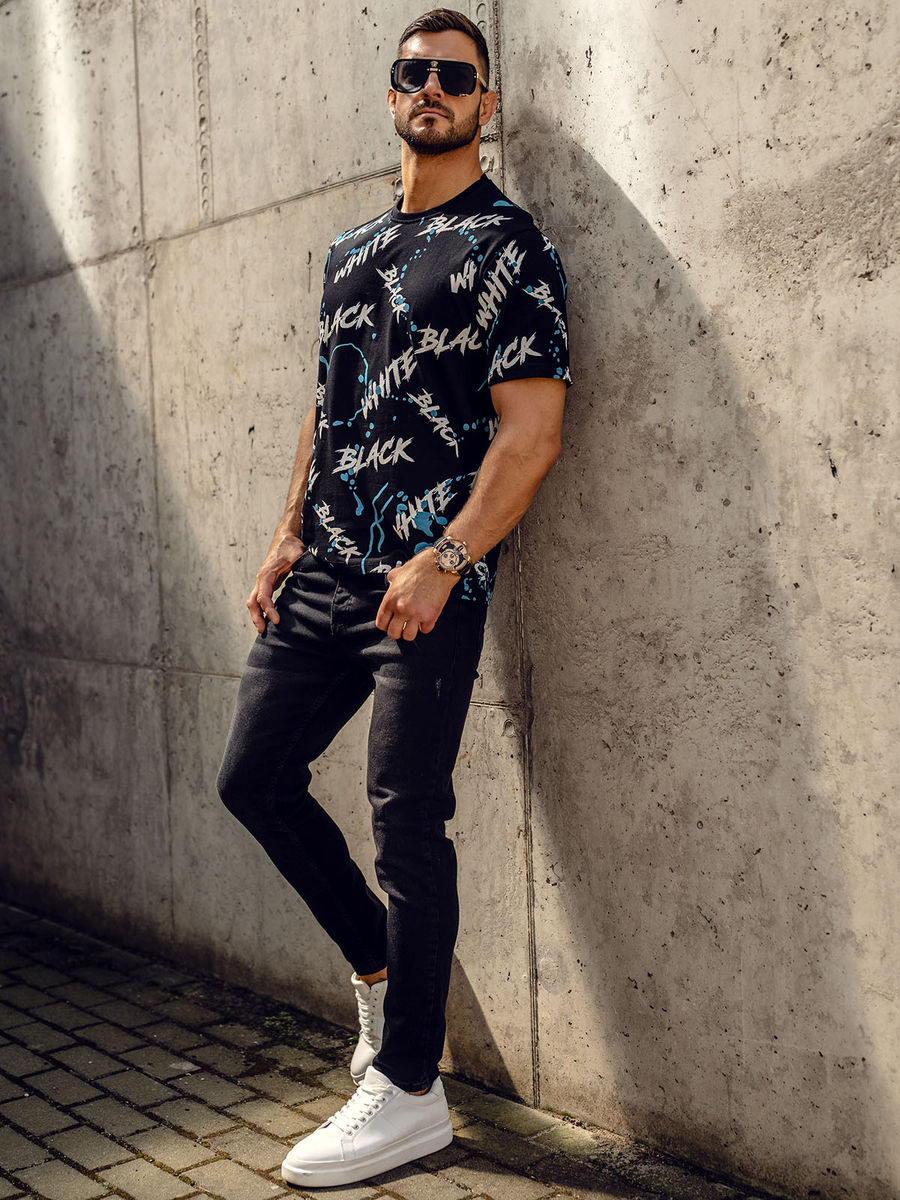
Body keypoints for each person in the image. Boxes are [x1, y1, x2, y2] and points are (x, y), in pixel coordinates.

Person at [216, 7, 571, 1188]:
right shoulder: (349, 250)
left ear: (485, 104)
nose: (433, 88)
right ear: (390, 94)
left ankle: (412, 1090)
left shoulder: (509, 245)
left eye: (456, 77)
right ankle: (378, 972)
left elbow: (531, 434)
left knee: (406, 824)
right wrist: (284, 534)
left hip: (427, 582)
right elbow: (332, 402)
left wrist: (446, 561)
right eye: (414, 71)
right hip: (324, 572)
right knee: (253, 779)